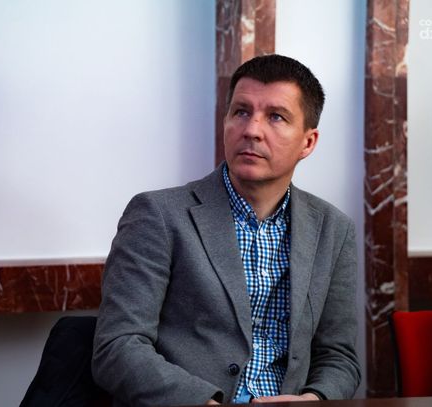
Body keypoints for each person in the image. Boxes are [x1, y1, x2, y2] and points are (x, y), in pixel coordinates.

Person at [92, 54, 361, 406]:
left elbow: (338, 356)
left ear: (308, 142)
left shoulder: (334, 230)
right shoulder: (158, 215)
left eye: (276, 117)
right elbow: (118, 346)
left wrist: (314, 398)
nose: (251, 130)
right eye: (241, 112)